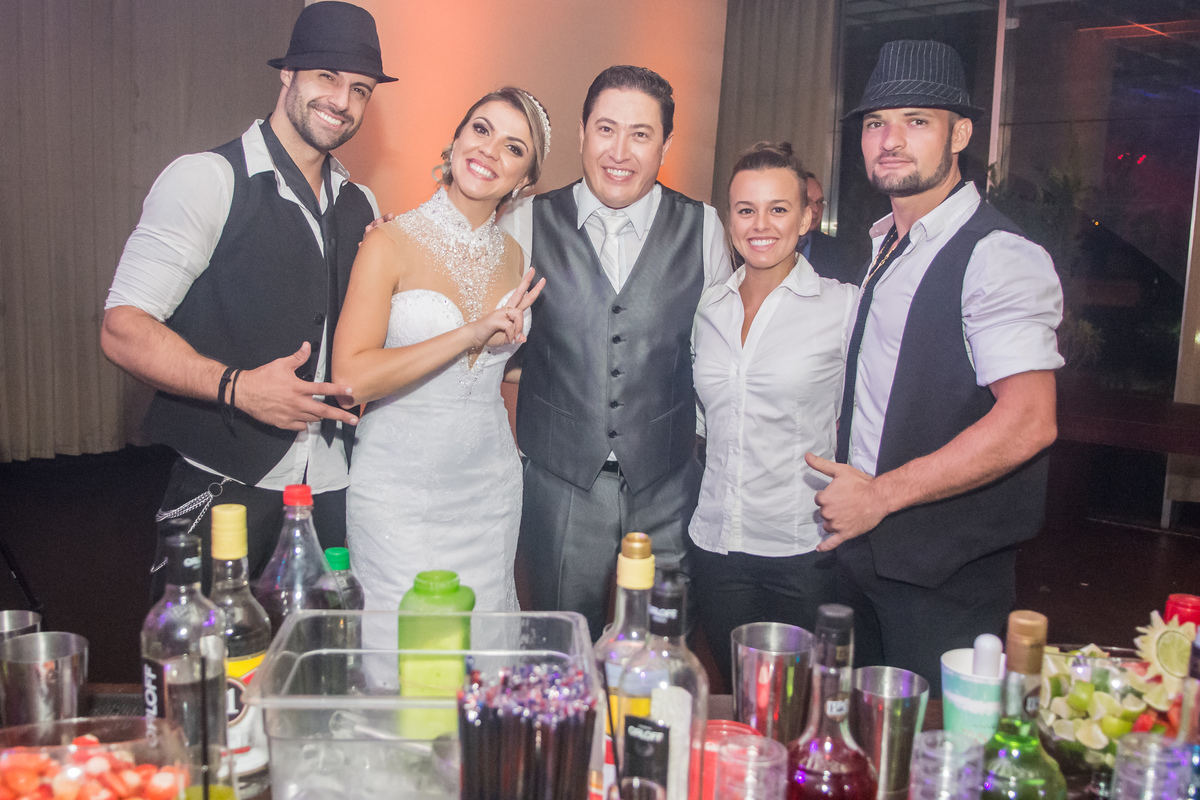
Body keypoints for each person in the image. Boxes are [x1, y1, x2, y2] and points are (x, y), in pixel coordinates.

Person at [100, 1, 395, 596]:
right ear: (288, 73)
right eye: (327, 76)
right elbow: (122, 327)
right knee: (206, 647)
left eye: (360, 89)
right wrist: (238, 387)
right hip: (224, 488)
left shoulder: (361, 203)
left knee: (322, 650)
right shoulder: (207, 179)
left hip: (333, 490)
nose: (342, 100)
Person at [805, 40, 1064, 695]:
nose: (890, 140)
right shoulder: (885, 244)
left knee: (936, 749)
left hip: (945, 578)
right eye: (875, 123)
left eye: (916, 121)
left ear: (961, 134)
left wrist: (880, 496)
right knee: (855, 739)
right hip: (860, 559)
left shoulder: (998, 255)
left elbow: (1030, 421)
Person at [500, 65, 731, 640]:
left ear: (665, 146)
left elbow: (716, 358)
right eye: (606, 129)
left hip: (668, 482)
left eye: (641, 134)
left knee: (664, 648)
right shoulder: (525, 221)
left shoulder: (704, 227)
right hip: (559, 481)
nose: (620, 152)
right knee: (559, 645)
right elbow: (486, 343)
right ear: (582, 133)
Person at [333, 87, 549, 636]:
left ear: (524, 179)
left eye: (514, 147)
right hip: (397, 493)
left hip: (490, 489)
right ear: (455, 140)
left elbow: (494, 370)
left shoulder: (516, 258)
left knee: (483, 650)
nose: (490, 150)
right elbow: (351, 378)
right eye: (481, 129)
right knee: (402, 653)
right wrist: (468, 334)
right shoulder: (388, 242)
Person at [690, 143, 855, 687]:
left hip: (803, 552)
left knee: (802, 706)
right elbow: (703, 420)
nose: (760, 224)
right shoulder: (708, 308)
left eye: (778, 209)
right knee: (739, 699)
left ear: (806, 217)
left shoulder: (843, 307)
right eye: (746, 209)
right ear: (730, 220)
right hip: (717, 547)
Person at [796, 172, 863, 285]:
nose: (816, 209)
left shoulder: (836, 250)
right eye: (808, 201)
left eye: (819, 202)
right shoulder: (775, 243)